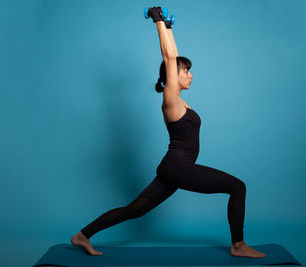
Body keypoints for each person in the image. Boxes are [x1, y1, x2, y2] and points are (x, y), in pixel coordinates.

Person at [71, 7, 266, 258]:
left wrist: (169, 26)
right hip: (178, 167)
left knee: (135, 209)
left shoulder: (181, 102)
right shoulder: (170, 99)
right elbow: (169, 58)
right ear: (173, 76)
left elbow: (172, 56)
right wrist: (157, 21)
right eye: (187, 71)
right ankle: (238, 245)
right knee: (238, 187)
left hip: (171, 169)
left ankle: (82, 235)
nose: (191, 75)